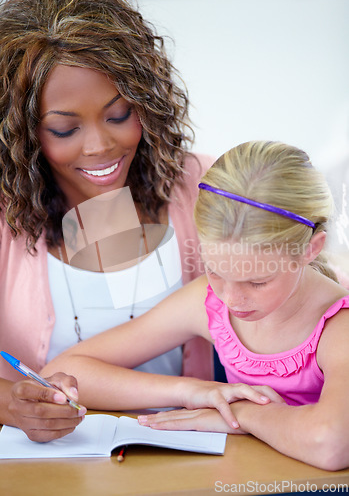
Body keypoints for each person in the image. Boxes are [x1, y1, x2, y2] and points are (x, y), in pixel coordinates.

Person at [43, 141, 349, 470]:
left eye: (257, 282)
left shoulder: (337, 327)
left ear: (311, 249)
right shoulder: (210, 301)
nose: (231, 299)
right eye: (214, 271)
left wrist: (243, 414)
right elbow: (64, 372)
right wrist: (193, 391)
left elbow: (330, 444)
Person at [0, 0, 215, 442]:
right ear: (21, 130)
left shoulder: (202, 188)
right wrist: (10, 404)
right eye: (64, 129)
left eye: (119, 114)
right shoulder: (6, 219)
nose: (99, 146)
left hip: (187, 459)